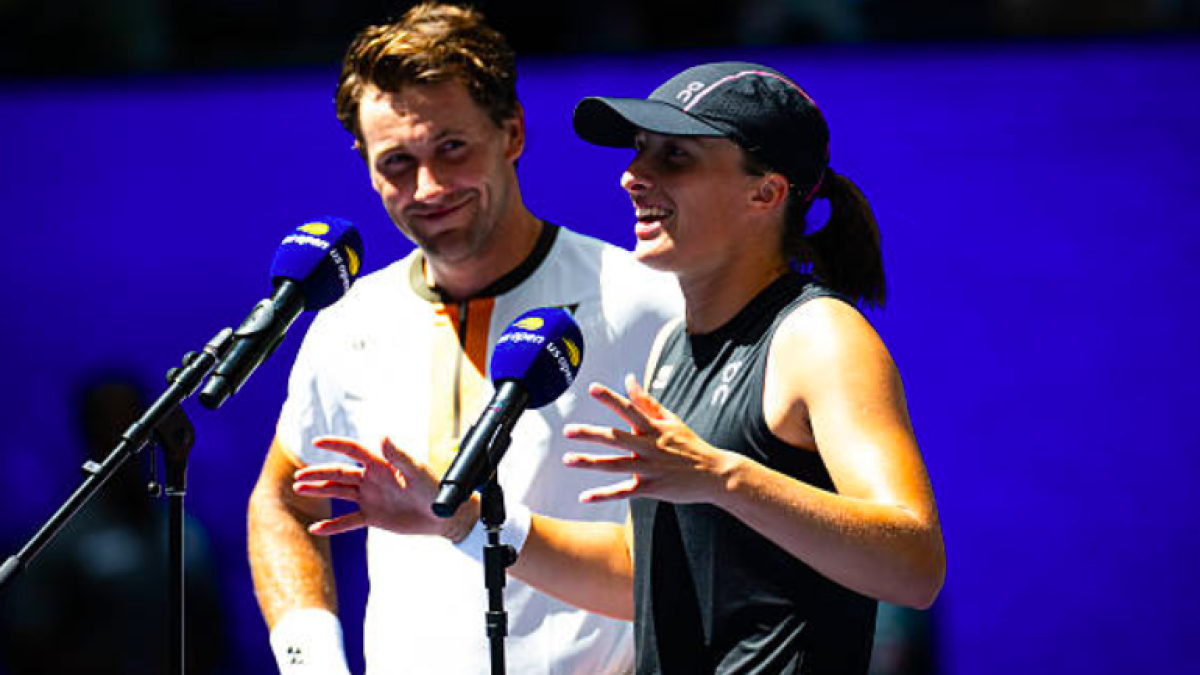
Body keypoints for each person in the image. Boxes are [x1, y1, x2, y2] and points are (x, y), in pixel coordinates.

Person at [298, 61, 946, 674]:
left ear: (765, 192)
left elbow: (913, 564)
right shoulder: (670, 346)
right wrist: (463, 519)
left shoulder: (819, 335)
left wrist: (723, 476)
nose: (632, 176)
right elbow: (641, 573)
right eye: (638, 150)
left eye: (675, 157)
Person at [247, 3, 680, 675]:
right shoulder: (348, 323)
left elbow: (710, 558)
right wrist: (312, 663)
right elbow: (282, 498)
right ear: (364, 168)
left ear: (512, 132)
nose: (428, 187)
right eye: (396, 162)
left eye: (452, 148)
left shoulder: (647, 304)